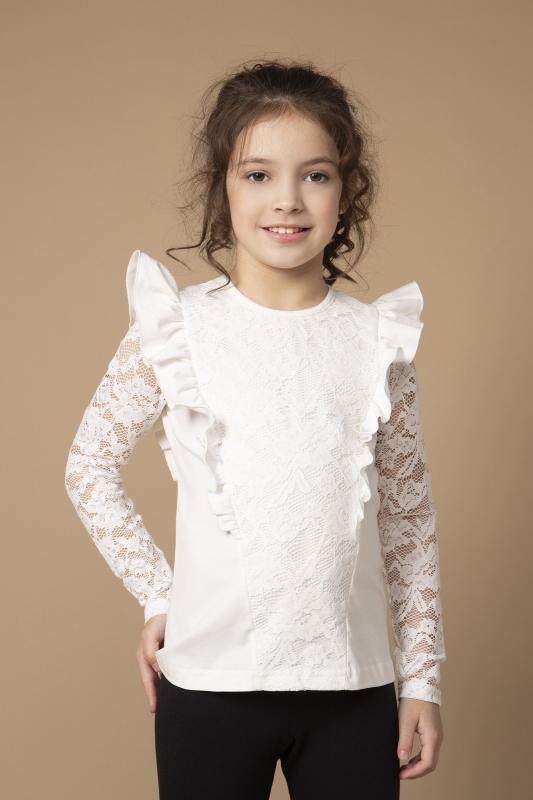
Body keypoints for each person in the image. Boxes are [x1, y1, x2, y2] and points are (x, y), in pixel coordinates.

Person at [64, 58, 446, 799]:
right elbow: (89, 467)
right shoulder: (176, 331)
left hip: (353, 689)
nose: (288, 200)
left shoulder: (377, 343)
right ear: (223, 188)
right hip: (208, 687)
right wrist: (161, 595)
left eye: (316, 175)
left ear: (347, 190)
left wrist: (423, 680)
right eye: (258, 174)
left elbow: (408, 521)